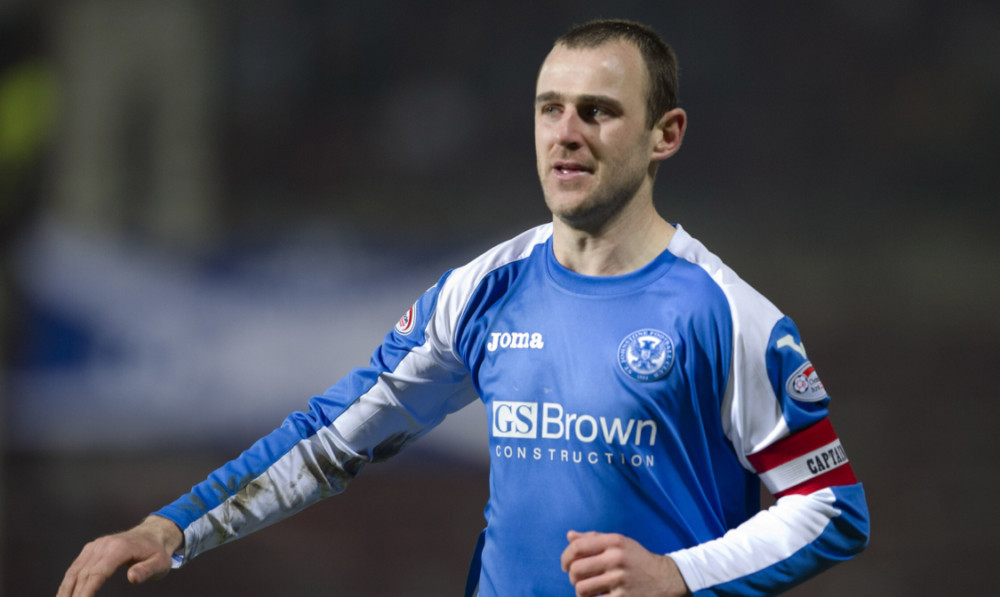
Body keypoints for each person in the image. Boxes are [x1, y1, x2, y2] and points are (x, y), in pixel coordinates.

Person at [58, 18, 870, 597]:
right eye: (550, 107)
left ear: (667, 135)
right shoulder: (484, 289)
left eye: (599, 110)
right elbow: (332, 439)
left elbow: (832, 508)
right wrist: (171, 528)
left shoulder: (727, 315)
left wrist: (678, 576)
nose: (566, 133)